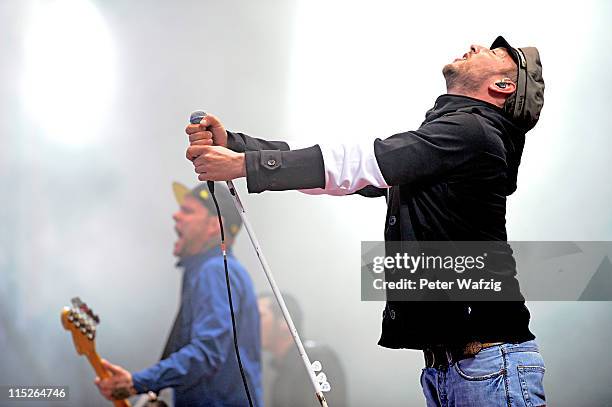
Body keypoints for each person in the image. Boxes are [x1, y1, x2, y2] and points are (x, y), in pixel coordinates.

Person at [184, 36, 546, 406]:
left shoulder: (470, 132)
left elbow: (359, 163)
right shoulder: (454, 140)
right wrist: (236, 145)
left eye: (495, 53)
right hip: (463, 367)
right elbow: (351, 175)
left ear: (503, 85)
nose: (475, 46)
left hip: (487, 365)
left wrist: (242, 165)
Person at [94, 182, 263, 407]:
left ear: (215, 226)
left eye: (188, 211)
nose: (176, 216)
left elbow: (207, 353)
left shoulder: (215, 271)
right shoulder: (216, 270)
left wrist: (137, 382)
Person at [258, 292, 347, 407]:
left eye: (259, 316)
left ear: (284, 321)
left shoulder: (317, 358)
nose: (249, 323)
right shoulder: (280, 369)